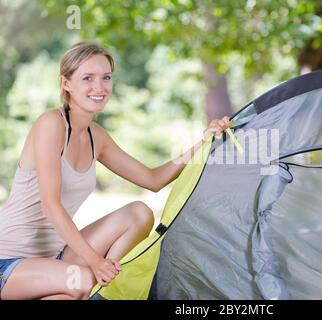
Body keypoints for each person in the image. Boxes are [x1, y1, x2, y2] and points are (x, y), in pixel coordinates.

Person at [0, 42, 230, 300]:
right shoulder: (50, 125)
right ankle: (94, 284)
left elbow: (153, 179)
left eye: (106, 77)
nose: (99, 87)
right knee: (83, 279)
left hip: (57, 257)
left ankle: (101, 287)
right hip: (8, 261)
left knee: (139, 214)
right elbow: (50, 206)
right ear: (66, 83)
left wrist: (205, 142)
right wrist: (95, 261)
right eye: (88, 78)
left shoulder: (97, 137)